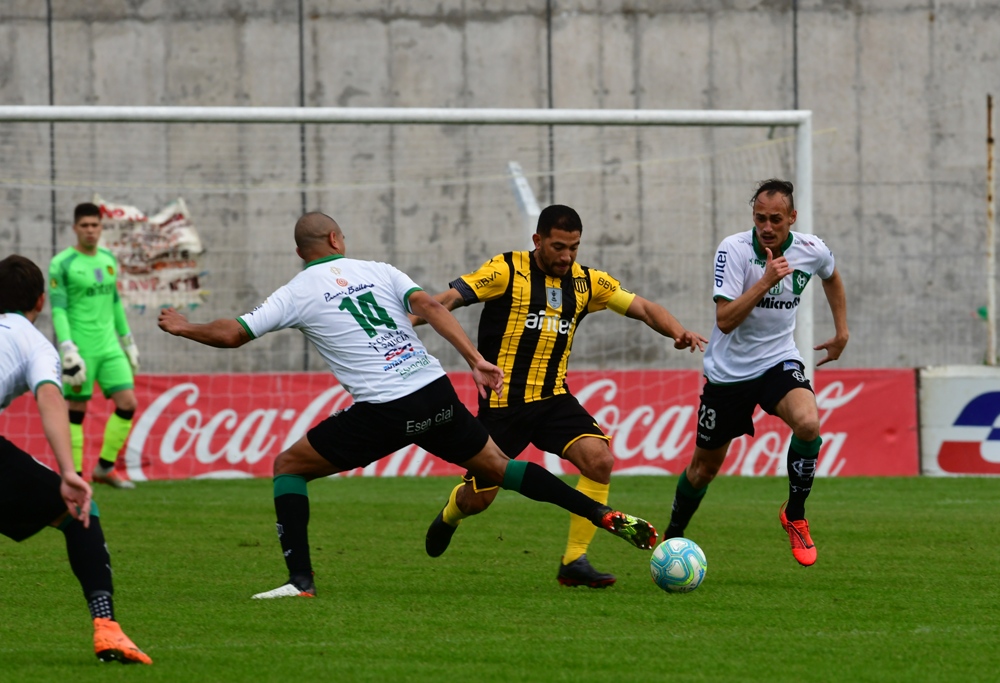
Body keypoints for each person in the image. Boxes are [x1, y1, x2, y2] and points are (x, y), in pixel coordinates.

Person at [157, 211, 657, 599]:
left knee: (288, 467)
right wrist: (475, 360)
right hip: (434, 390)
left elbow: (234, 334)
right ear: (336, 239)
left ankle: (300, 582)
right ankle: (601, 514)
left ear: (300, 252)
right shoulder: (378, 270)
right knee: (502, 469)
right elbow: (434, 307)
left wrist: (185, 327)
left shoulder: (296, 291)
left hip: (384, 411)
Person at [414, 204, 707, 588]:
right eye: (558, 247)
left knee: (599, 460)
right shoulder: (506, 270)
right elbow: (448, 300)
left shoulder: (587, 282)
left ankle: (574, 561)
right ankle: (451, 514)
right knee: (477, 500)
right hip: (503, 406)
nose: (567, 256)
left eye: (574, 247)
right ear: (537, 240)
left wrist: (677, 331)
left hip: (553, 400)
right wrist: (407, 321)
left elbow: (644, 309)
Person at [662, 179, 849, 566]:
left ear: (792, 218)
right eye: (760, 218)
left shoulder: (811, 249)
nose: (766, 226)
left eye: (775, 219)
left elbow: (831, 275)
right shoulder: (733, 250)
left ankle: (795, 514)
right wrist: (765, 281)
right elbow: (725, 320)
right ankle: (673, 536)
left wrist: (841, 332)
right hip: (728, 374)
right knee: (703, 470)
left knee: (808, 423)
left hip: (778, 361)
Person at [0, 255, 151, 664]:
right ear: (41, 301)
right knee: (78, 511)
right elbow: (50, 396)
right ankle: (107, 628)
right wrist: (69, 472)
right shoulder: (33, 342)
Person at [48, 202, 141, 489]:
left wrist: (128, 341)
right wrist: (67, 346)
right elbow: (58, 309)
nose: (90, 230)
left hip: (110, 346)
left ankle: (105, 467)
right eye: (84, 225)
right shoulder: (62, 263)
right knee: (76, 409)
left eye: (94, 225)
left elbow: (115, 302)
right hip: (80, 348)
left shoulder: (108, 259)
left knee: (128, 403)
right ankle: (75, 477)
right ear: (75, 228)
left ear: (101, 228)